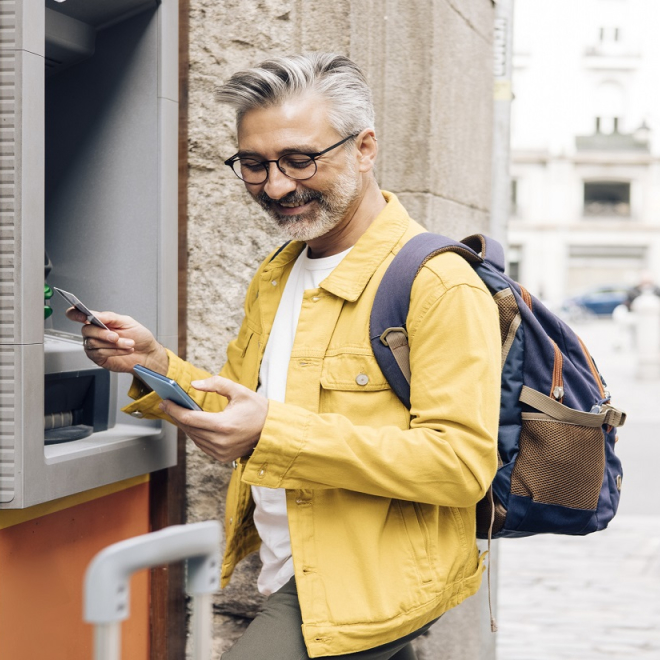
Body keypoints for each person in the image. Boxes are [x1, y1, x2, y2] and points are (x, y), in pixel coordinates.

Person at [71, 53, 500, 659]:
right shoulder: (280, 271)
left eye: (300, 159)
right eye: (254, 164)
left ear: (364, 148)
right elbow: (247, 406)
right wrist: (155, 362)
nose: (276, 186)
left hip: (361, 586)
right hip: (295, 566)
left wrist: (270, 431)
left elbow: (460, 466)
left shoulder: (439, 282)